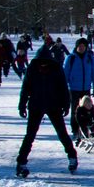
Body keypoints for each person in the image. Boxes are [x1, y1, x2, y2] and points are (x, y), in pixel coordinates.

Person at [16, 47, 78, 177]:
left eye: (46, 61)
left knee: (62, 133)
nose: (43, 63)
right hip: (35, 106)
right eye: (41, 61)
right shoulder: (32, 69)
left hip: (53, 105)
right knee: (30, 135)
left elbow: (63, 88)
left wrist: (66, 105)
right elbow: (25, 88)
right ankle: (21, 162)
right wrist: (22, 105)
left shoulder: (56, 69)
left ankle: (72, 157)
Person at [63, 38, 94, 142]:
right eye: (79, 46)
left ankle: (87, 130)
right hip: (74, 89)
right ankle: (75, 131)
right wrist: (63, 87)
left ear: (86, 47)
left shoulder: (90, 59)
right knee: (75, 111)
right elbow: (65, 73)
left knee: (88, 110)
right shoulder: (70, 58)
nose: (81, 48)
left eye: (83, 46)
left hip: (86, 88)